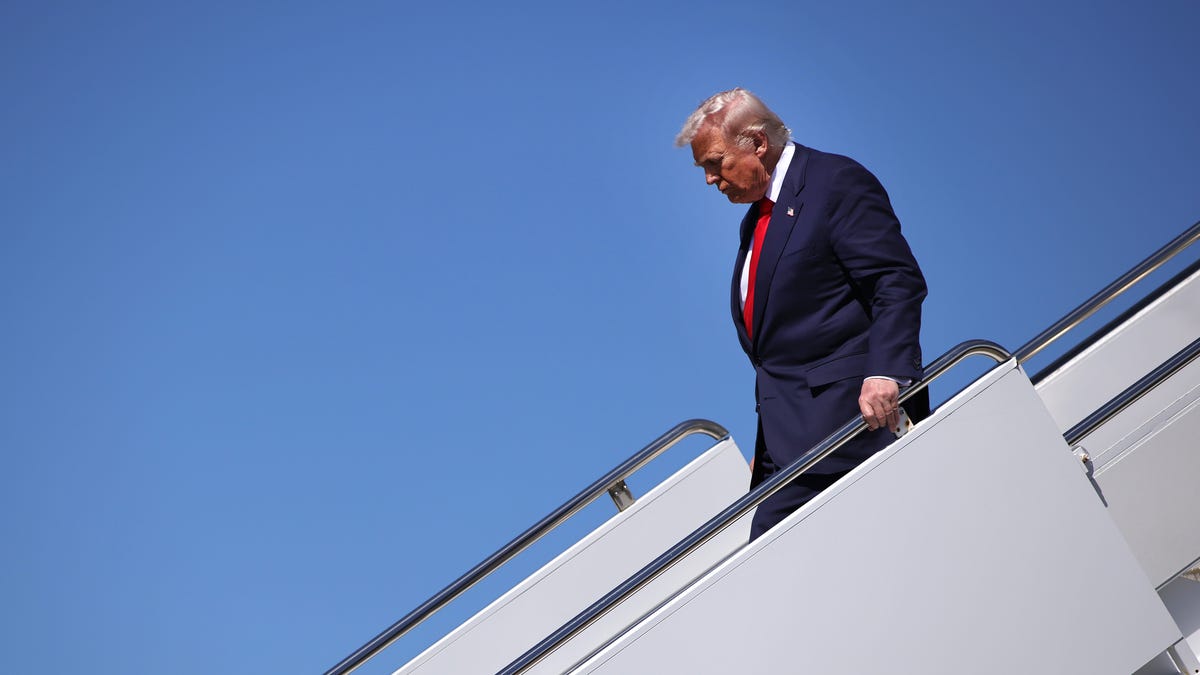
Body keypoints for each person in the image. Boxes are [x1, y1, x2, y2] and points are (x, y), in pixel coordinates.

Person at [676, 88, 929, 540]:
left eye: (715, 163)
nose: (711, 180)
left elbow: (895, 280)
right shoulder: (755, 220)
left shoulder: (834, 182)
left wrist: (888, 371)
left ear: (756, 143)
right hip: (791, 448)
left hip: (857, 426)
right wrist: (771, 435)